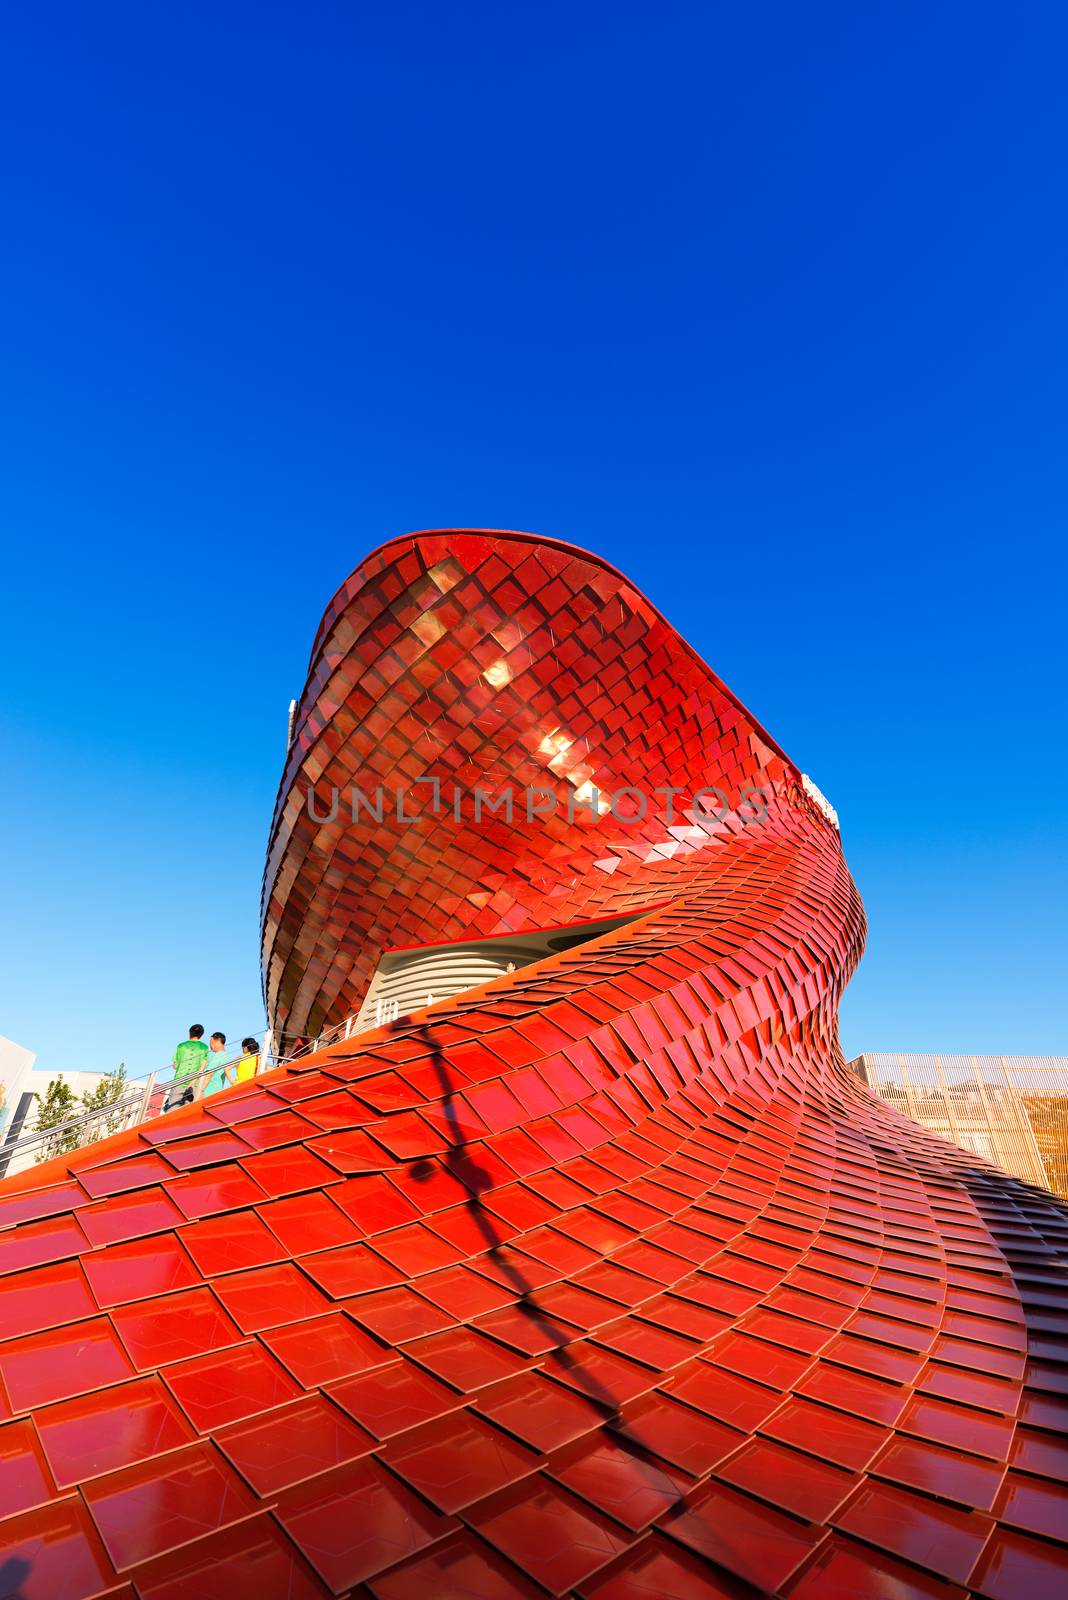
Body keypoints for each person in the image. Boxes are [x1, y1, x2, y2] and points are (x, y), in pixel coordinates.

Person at [165, 1025, 209, 1111]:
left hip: (179, 1080)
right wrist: (192, 1082)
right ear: (201, 1034)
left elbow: (175, 1066)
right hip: (193, 1083)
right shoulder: (204, 1047)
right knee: (187, 1110)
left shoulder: (181, 1046)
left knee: (172, 1108)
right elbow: (202, 1068)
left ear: (189, 1032)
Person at [203, 1031, 231, 1096]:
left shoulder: (218, 1055)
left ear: (218, 1041)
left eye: (211, 1043)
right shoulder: (226, 1056)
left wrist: (201, 1090)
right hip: (217, 1090)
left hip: (208, 1091)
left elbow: (209, 1074)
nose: (210, 1046)